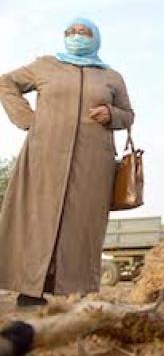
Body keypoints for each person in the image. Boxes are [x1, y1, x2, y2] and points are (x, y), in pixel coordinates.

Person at [0, 18, 134, 307]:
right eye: (70, 32)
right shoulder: (46, 65)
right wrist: (27, 120)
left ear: (95, 38)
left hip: (93, 162)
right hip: (44, 155)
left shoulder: (111, 76)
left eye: (83, 32)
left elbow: (129, 115)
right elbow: (6, 82)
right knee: (37, 218)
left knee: (83, 223)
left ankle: (75, 291)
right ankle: (29, 290)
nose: (76, 36)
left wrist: (112, 114)